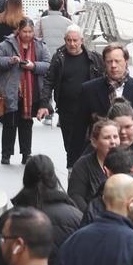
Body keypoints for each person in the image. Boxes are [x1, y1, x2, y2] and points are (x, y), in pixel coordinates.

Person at [71, 43, 133, 166]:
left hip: (132, 157)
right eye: (109, 62)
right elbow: (79, 130)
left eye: (117, 61)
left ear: (126, 61)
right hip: (99, 157)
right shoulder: (89, 89)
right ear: (104, 63)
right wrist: (73, 163)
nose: (113, 66)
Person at [37, 24, 104, 169]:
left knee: (89, 144)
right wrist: (43, 104)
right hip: (67, 111)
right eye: (69, 40)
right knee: (71, 146)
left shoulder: (93, 58)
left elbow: (104, 80)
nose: (72, 44)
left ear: (82, 40)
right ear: (64, 40)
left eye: (75, 40)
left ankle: (86, 172)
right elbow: (49, 81)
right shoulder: (59, 58)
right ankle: (73, 173)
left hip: (90, 111)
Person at [0, 18, 51, 165]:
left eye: (30, 31)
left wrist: (33, 66)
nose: (27, 34)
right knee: (9, 124)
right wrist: (10, 61)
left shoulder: (39, 45)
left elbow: (49, 65)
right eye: (24, 31)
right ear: (18, 30)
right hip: (11, 91)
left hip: (31, 93)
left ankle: (26, 154)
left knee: (26, 123)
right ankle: (6, 154)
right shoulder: (7, 44)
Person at [68, 119, 120, 212]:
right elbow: (76, 196)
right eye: (107, 138)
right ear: (95, 142)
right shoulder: (82, 165)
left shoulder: (127, 161)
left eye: (115, 137)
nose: (113, 141)